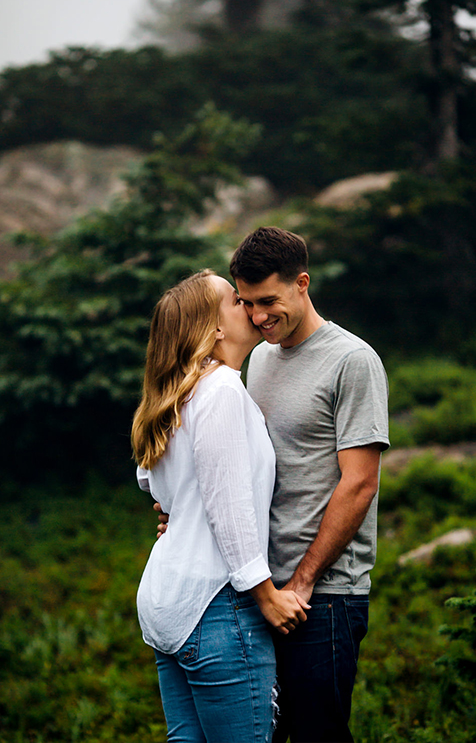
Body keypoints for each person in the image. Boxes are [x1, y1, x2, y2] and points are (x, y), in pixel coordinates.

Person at [132, 270, 309, 743]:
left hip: (167, 599)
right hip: (217, 606)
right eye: (236, 300)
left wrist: (178, 513)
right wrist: (266, 595)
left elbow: (151, 483)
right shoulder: (223, 392)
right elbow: (228, 508)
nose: (250, 307)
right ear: (214, 328)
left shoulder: (176, 398)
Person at [232, 226, 390, 743]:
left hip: (324, 596)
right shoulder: (258, 358)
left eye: (268, 301)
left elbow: (360, 484)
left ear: (302, 283)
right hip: (261, 588)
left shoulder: (352, 360)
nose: (257, 317)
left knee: (318, 734)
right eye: (246, 303)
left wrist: (303, 581)